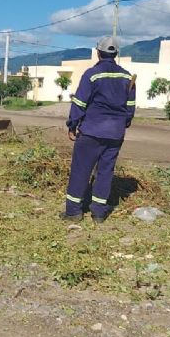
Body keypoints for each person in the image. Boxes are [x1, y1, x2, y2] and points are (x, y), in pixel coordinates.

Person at [61, 36, 136, 223]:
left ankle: (73, 212)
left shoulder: (91, 75)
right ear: (116, 54)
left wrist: (72, 125)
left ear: (98, 52)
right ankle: (99, 213)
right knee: (105, 171)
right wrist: (122, 124)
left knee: (80, 170)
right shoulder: (127, 77)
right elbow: (130, 107)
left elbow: (79, 103)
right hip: (115, 134)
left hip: (91, 132)